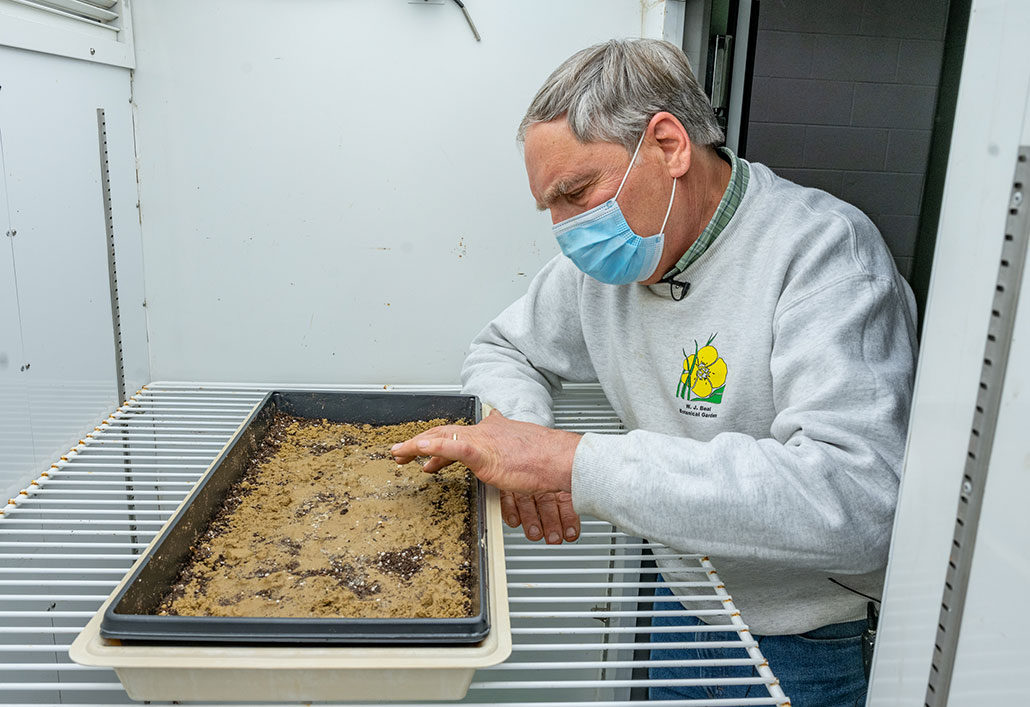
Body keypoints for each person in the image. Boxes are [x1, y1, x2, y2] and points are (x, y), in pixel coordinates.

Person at [391, 38, 917, 705]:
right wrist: (523, 436)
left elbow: (859, 497)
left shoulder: (824, 254)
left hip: (807, 642)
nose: (565, 229)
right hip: (679, 603)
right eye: (550, 207)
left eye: (576, 193)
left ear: (668, 145)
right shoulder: (600, 271)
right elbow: (504, 348)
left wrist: (573, 463)